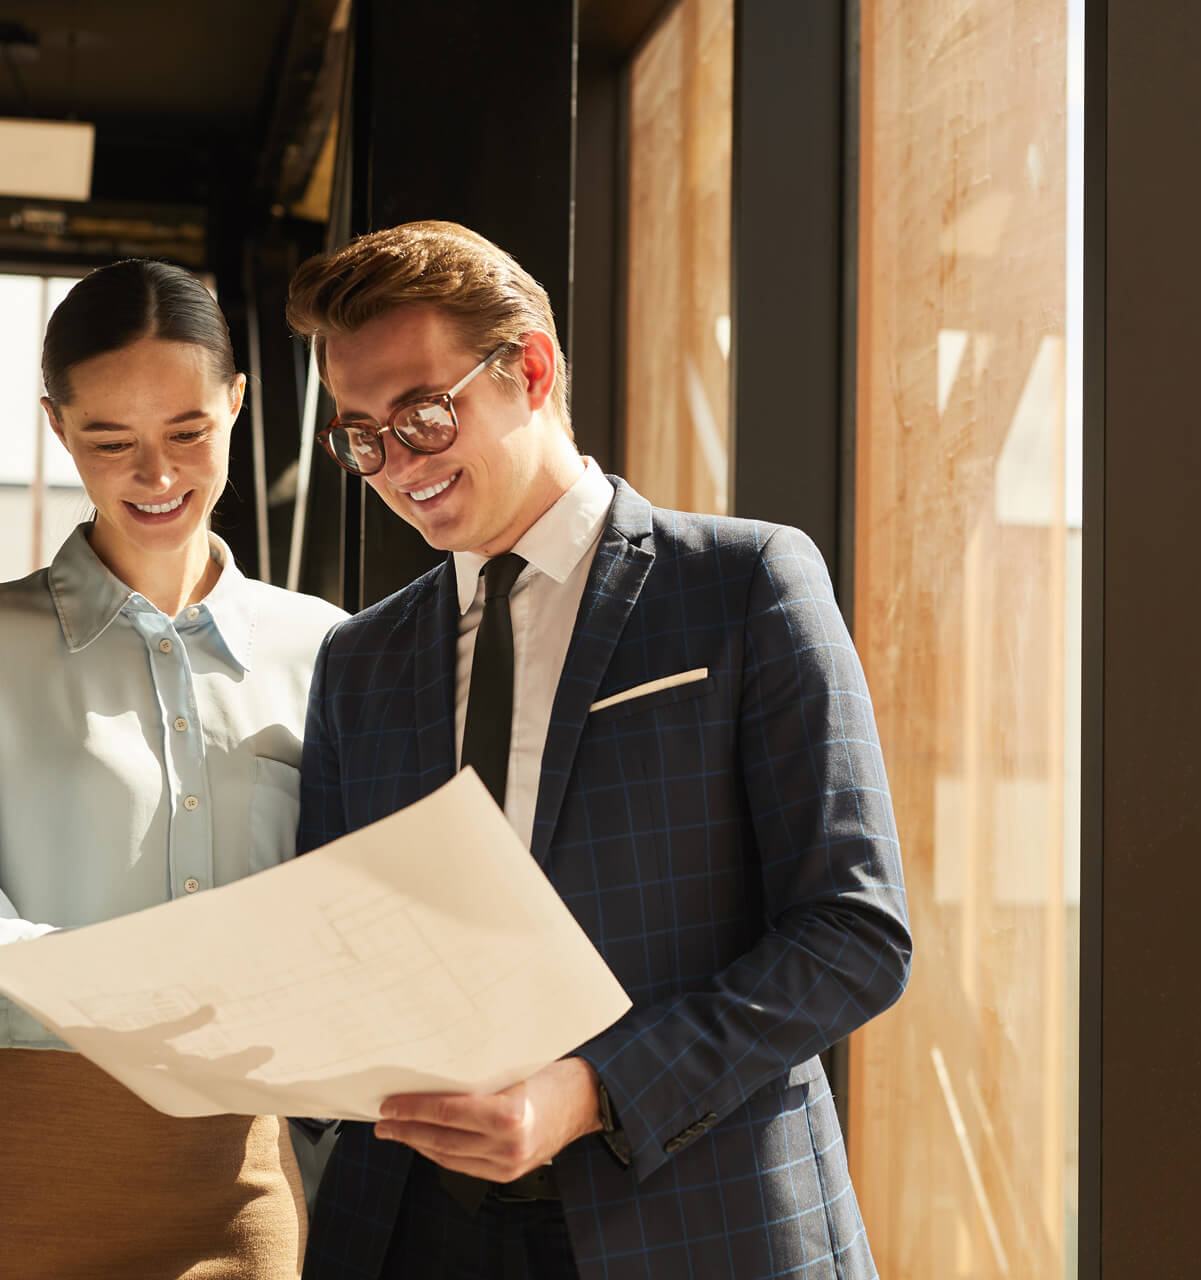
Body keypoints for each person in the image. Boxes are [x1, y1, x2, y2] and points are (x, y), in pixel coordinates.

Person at [287, 220, 912, 1279]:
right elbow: (342, 944)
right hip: (411, 1229)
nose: (397, 466)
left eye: (424, 416)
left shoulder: (743, 584)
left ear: (530, 370)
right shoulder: (359, 659)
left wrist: (590, 1092)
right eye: (363, 439)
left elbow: (854, 933)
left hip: (698, 1221)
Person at [0, 259, 346, 1279]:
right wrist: (173, 993)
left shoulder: (327, 647)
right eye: (111, 441)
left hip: (240, 1163)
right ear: (58, 427)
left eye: (189, 432)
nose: (157, 474)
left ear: (237, 402)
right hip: (24, 1146)